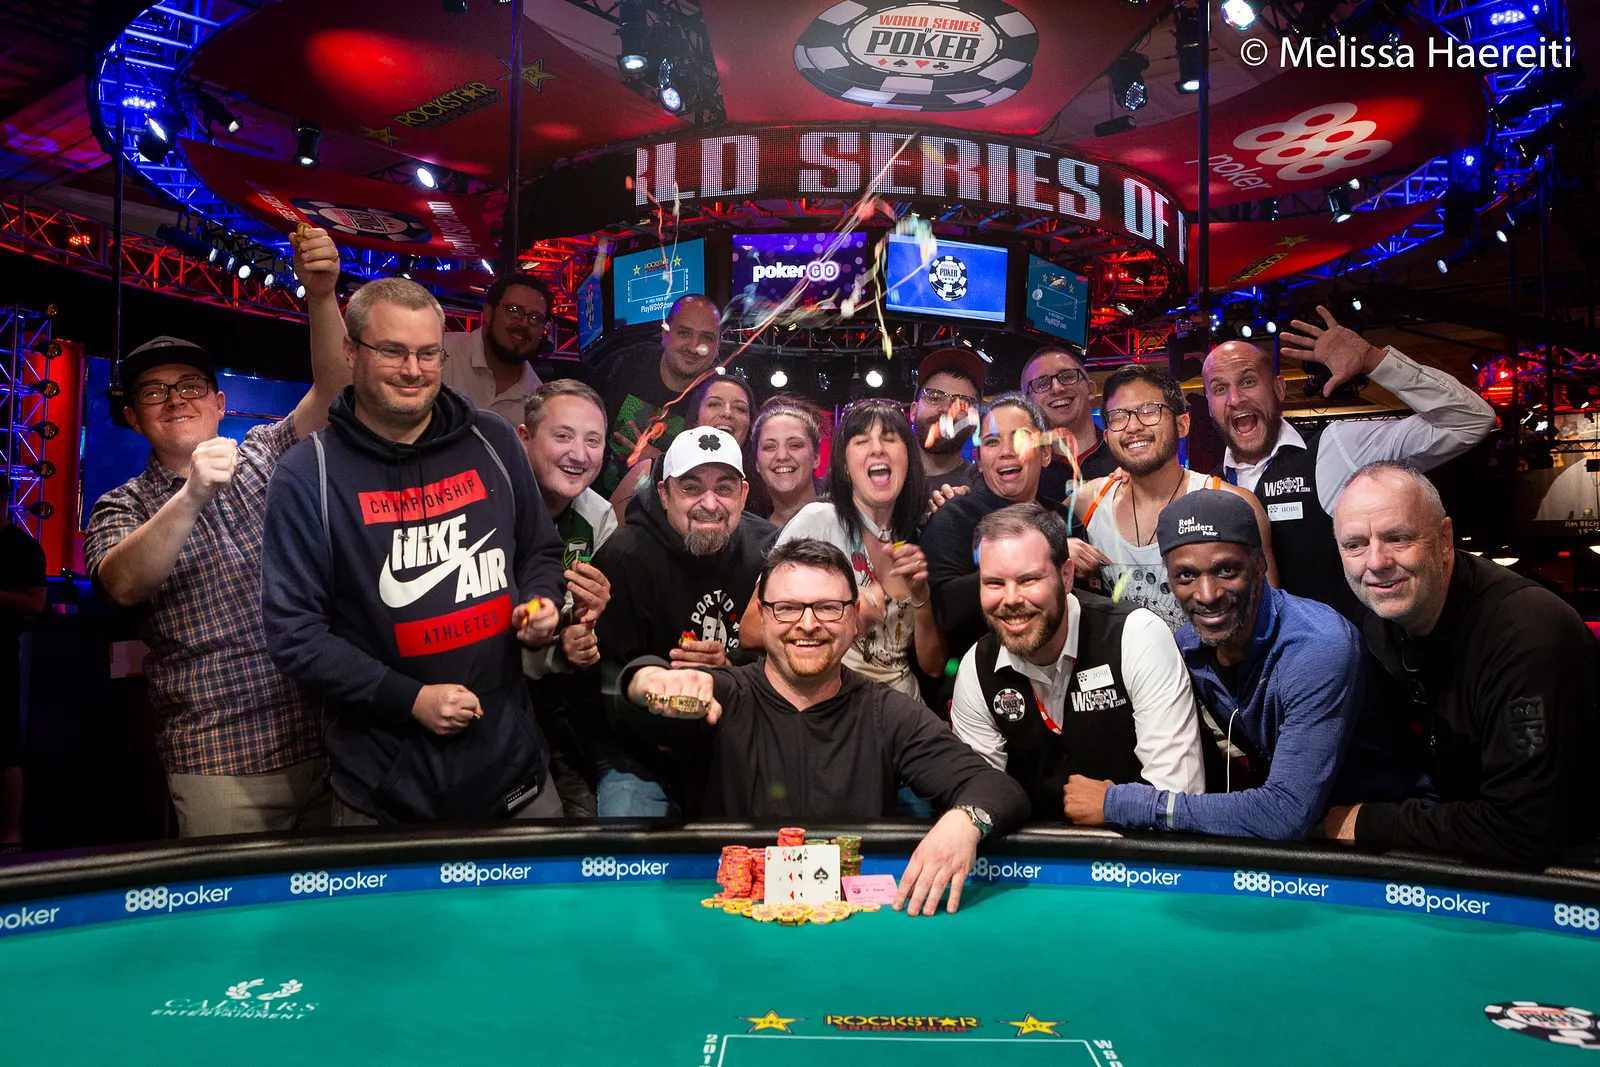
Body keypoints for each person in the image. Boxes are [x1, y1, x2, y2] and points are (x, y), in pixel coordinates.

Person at [261, 277, 567, 825]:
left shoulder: (493, 440)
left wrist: (542, 602)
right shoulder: (309, 473)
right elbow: (294, 634)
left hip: (513, 768)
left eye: (428, 354)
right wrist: (410, 699)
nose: (413, 370)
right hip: (384, 788)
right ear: (351, 351)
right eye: (393, 351)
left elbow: (540, 551)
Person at [82, 227, 347, 838]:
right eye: (154, 392)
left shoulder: (264, 454)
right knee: (234, 903)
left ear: (219, 403)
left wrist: (321, 295)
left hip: (324, 739)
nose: (175, 399)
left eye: (190, 386)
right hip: (220, 761)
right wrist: (192, 493)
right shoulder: (120, 505)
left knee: (336, 894)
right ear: (133, 418)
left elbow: (334, 395)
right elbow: (122, 584)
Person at [620, 537, 1029, 915]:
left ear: (854, 618)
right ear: (762, 616)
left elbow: (997, 788)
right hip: (727, 922)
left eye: (828, 607)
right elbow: (633, 710)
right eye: (787, 608)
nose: (808, 623)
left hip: (847, 928)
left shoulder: (886, 712)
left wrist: (965, 821)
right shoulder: (718, 697)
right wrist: (645, 681)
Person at [1324, 461, 1600, 866]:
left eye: (1398, 538)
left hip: (1570, 871)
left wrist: (1367, 821)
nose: (1376, 561)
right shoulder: (1379, 624)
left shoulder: (1528, 634)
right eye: (1355, 545)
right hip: (1467, 849)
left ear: (1444, 539)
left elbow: (1522, 830)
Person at [1063, 490, 1365, 839]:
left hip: (1371, 838)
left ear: (1259, 565)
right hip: (1292, 834)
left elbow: (1284, 813)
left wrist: (1118, 803)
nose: (1207, 594)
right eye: (1186, 576)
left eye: (1226, 570)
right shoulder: (1189, 646)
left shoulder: (1317, 645)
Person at [1203, 306, 1495, 621]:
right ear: (1209, 404)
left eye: (1248, 382)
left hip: (1346, 648)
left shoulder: (1335, 448)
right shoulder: (1207, 489)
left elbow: (1470, 421)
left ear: (1279, 388)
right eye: (1220, 389)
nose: (1235, 399)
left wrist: (1374, 360)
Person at [951, 504, 1203, 821]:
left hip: (1138, 848)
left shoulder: (1137, 635)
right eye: (994, 583)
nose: (1011, 598)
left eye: (1028, 580)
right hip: (1032, 849)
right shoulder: (976, 667)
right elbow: (978, 802)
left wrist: (1114, 806)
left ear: (1066, 576)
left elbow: (1177, 801)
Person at [590, 427, 778, 816]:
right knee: (629, 836)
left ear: (743, 494)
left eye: (724, 489)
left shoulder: (770, 550)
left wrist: (729, 669)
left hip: (734, 740)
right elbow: (603, 686)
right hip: (640, 752)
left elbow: (786, 662)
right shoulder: (625, 557)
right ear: (664, 494)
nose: (709, 503)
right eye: (691, 488)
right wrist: (663, 697)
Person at [742, 400, 945, 698]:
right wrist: (844, 613)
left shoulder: (918, 532)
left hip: (902, 707)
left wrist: (921, 598)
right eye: (862, 441)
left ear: (908, 460)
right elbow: (750, 628)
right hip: (833, 705)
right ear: (846, 466)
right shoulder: (819, 521)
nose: (877, 449)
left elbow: (935, 667)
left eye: (890, 439)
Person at [1074, 365, 1277, 632]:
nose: (1133, 426)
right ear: (1107, 435)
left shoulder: (1234, 504)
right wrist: (1056, 551)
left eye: (1149, 411)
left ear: (1182, 424)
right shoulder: (1086, 503)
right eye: (1118, 416)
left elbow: (1269, 619)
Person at [516, 379, 617, 816]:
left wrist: (582, 632)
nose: (579, 454)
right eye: (563, 436)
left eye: (593, 440)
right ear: (524, 438)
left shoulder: (599, 515)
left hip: (556, 707)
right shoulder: (490, 504)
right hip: (485, 701)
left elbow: (584, 632)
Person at [923, 394, 1074, 658]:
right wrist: (1044, 560)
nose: (1006, 451)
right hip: (981, 672)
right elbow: (945, 611)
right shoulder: (954, 517)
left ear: (1046, 453)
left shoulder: (1066, 520)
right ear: (980, 461)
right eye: (992, 442)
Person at [595, 293, 723, 494]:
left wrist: (660, 464)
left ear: (717, 348)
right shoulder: (626, 363)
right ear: (665, 335)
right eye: (684, 333)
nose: (693, 347)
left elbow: (715, 481)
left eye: (706, 338)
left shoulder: (720, 400)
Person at [609, 370, 754, 520]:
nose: (727, 413)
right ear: (696, 418)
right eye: (714, 404)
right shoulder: (652, 470)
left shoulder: (761, 484)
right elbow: (610, 531)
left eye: (740, 408)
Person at [0, 474, 45, 853]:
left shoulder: (22, 547)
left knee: (5, 752)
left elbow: (35, 602)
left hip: (0, 661)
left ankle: (12, 831)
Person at [440, 273, 552, 425]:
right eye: (513, 310)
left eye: (535, 318)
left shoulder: (537, 401)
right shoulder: (441, 352)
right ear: (488, 313)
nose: (524, 324)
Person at [1021, 345, 1117, 503]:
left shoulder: (1125, 458)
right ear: (1027, 404)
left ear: (1090, 390)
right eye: (1041, 383)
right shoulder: (1021, 473)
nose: (1057, 388)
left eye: (1067, 376)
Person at [908, 347, 986, 493]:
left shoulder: (985, 490)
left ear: (974, 424)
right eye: (934, 397)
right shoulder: (885, 481)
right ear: (913, 411)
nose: (945, 409)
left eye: (961, 403)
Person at [748, 398, 824, 525]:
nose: (782, 456)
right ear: (757, 463)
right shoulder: (749, 534)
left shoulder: (847, 524)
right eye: (769, 447)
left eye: (794, 445)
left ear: (816, 457)